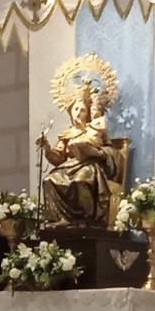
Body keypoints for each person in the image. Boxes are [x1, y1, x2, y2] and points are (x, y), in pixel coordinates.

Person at [38, 83, 120, 227]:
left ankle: (85, 220)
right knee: (49, 180)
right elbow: (58, 157)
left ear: (88, 113)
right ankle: (60, 219)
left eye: (82, 110)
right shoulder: (67, 134)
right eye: (75, 109)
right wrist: (47, 147)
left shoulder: (94, 129)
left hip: (89, 165)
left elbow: (110, 150)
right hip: (68, 166)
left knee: (80, 180)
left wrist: (97, 152)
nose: (78, 112)